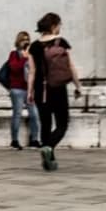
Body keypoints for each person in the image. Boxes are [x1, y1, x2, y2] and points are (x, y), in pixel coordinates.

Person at [28, 12, 74, 172]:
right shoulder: (61, 42)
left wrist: (29, 91)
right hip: (58, 88)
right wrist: (78, 85)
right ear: (54, 26)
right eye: (59, 25)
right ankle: (48, 147)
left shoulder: (33, 46)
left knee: (45, 125)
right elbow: (71, 66)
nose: (60, 28)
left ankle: (49, 161)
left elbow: (32, 72)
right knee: (62, 124)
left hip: (41, 90)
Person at [1, 31, 32, 150]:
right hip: (17, 89)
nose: (26, 41)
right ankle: (14, 140)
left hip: (29, 89)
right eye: (23, 39)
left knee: (34, 114)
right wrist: (24, 58)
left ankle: (35, 140)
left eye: (28, 39)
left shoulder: (31, 55)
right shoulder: (14, 54)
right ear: (18, 41)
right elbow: (14, 68)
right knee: (17, 114)